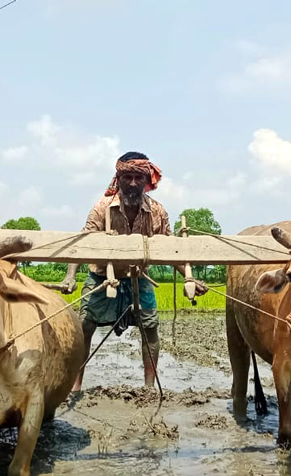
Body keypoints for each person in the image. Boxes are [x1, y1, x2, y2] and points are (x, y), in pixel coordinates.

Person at [59, 151, 207, 391]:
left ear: (146, 180)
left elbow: (169, 249)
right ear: (118, 179)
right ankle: (75, 386)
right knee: (85, 326)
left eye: (138, 177)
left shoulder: (157, 212)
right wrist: (70, 276)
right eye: (127, 177)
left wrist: (189, 277)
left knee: (150, 328)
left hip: (139, 277)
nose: (133, 183)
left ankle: (149, 387)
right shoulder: (102, 208)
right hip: (102, 277)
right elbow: (82, 242)